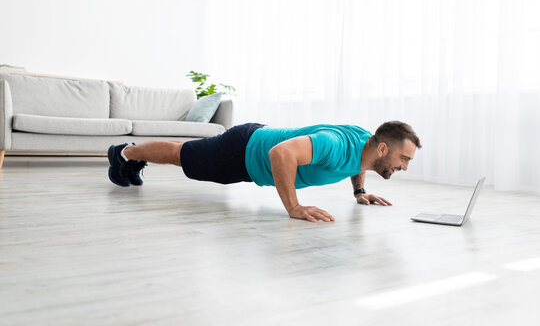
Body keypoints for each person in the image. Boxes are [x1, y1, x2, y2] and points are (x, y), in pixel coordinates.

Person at [107, 121, 421, 223]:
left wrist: (359, 191)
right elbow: (281, 153)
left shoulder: (366, 148)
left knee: (186, 154)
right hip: (243, 151)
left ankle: (131, 155)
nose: (404, 166)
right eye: (403, 158)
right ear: (382, 149)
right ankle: (124, 153)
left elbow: (360, 163)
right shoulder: (335, 144)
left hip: (249, 155)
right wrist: (294, 207)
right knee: (182, 156)